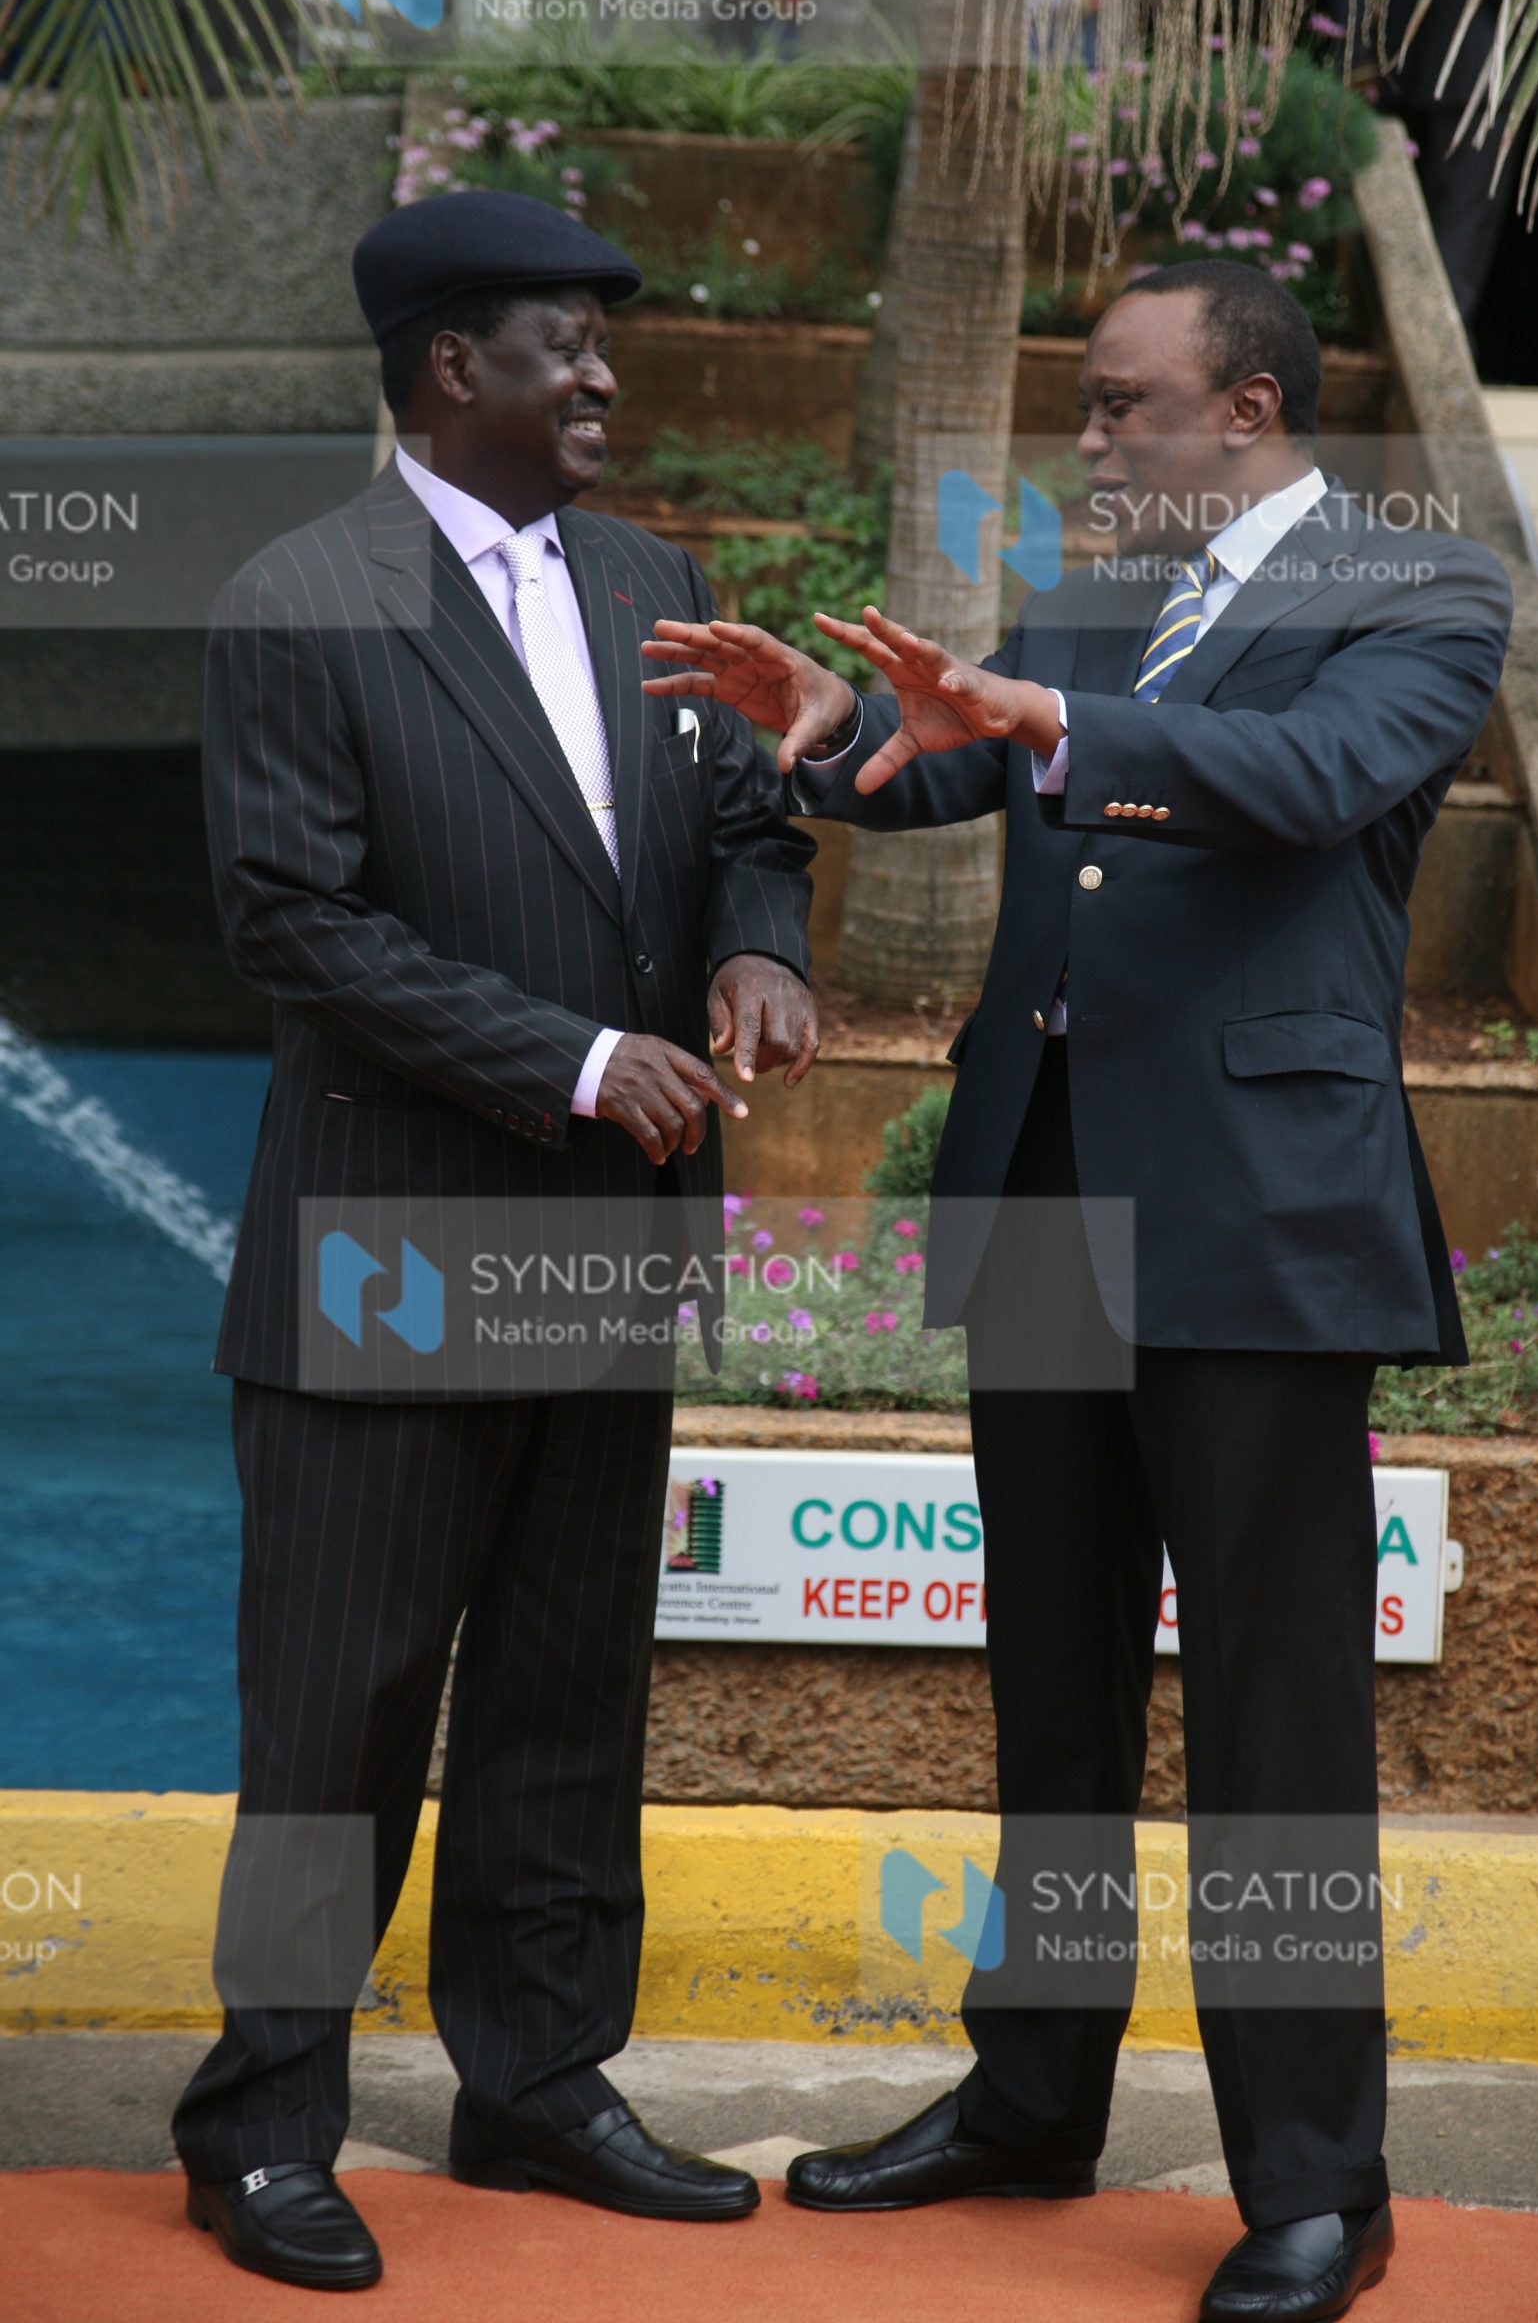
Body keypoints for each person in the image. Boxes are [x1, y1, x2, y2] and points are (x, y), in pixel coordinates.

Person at [643, 258, 1512, 2323]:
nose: (1093, 439)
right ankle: (1030, 2093)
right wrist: (841, 726)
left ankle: (1318, 2176)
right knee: (1049, 1685)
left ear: (1255, 405)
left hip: (1256, 1217)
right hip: (1042, 1190)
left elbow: (1305, 782)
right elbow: (955, 760)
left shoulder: (1419, 588)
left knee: (1277, 1725)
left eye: (1125, 404)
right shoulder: (1103, 576)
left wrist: (1063, 721)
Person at [173, 189, 818, 2290]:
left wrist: (756, 954)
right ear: (454, 369)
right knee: (335, 1722)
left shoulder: (656, 578)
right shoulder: (302, 594)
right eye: (566, 345)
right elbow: (293, 916)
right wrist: (572, 1055)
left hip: (607, 1252)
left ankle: (537, 2082)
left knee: (564, 1696)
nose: (607, 376)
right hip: (386, 1257)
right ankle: (263, 2121)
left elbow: (743, 820)